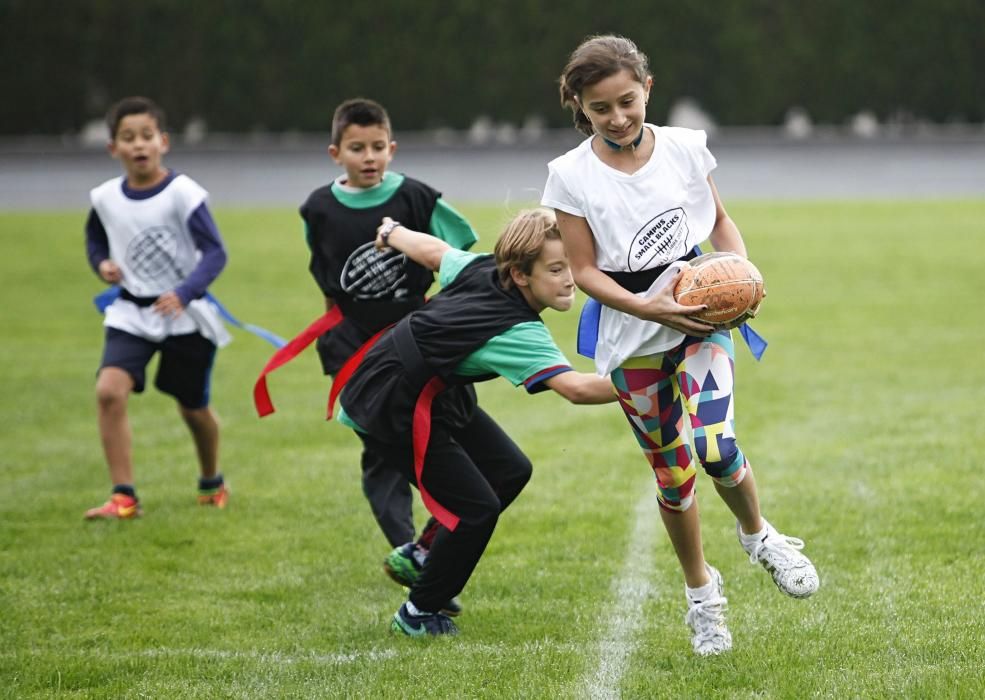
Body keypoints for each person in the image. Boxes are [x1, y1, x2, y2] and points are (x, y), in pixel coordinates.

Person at [541, 35, 819, 656]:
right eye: (600, 108)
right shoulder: (568, 175)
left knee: (716, 446)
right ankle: (703, 598)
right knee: (672, 475)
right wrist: (646, 305)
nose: (617, 117)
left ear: (647, 90)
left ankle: (758, 535)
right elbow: (585, 271)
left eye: (627, 101)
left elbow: (718, 221)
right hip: (632, 332)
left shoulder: (687, 147)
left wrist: (741, 274)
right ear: (580, 106)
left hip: (700, 317)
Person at [334, 208, 615, 636]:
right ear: (520, 274)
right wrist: (653, 383)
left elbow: (435, 252)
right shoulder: (517, 328)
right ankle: (418, 614)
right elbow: (576, 388)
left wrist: (393, 233)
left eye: (572, 265)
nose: (570, 278)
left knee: (510, 470)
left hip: (427, 388)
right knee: (475, 510)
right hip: (393, 403)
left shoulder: (485, 267)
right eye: (556, 269)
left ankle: (423, 554)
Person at [296, 98, 480, 596]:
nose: (369, 156)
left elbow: (461, 252)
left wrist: (444, 315)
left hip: (420, 343)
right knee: (385, 454)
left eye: (378, 146)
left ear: (392, 148)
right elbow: (327, 276)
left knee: (456, 438)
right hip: (356, 351)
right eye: (357, 148)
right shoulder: (318, 208)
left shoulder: (417, 198)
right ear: (336, 152)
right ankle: (413, 554)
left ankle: (431, 543)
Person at [84, 96, 230, 519]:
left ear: (163, 141)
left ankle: (211, 479)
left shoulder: (184, 194)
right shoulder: (105, 198)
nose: (139, 145)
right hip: (131, 312)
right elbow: (95, 240)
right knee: (109, 392)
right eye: (128, 138)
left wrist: (184, 292)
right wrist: (101, 264)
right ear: (114, 148)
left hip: (185, 316)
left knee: (193, 407)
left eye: (147, 135)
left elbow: (216, 253)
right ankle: (123, 498)